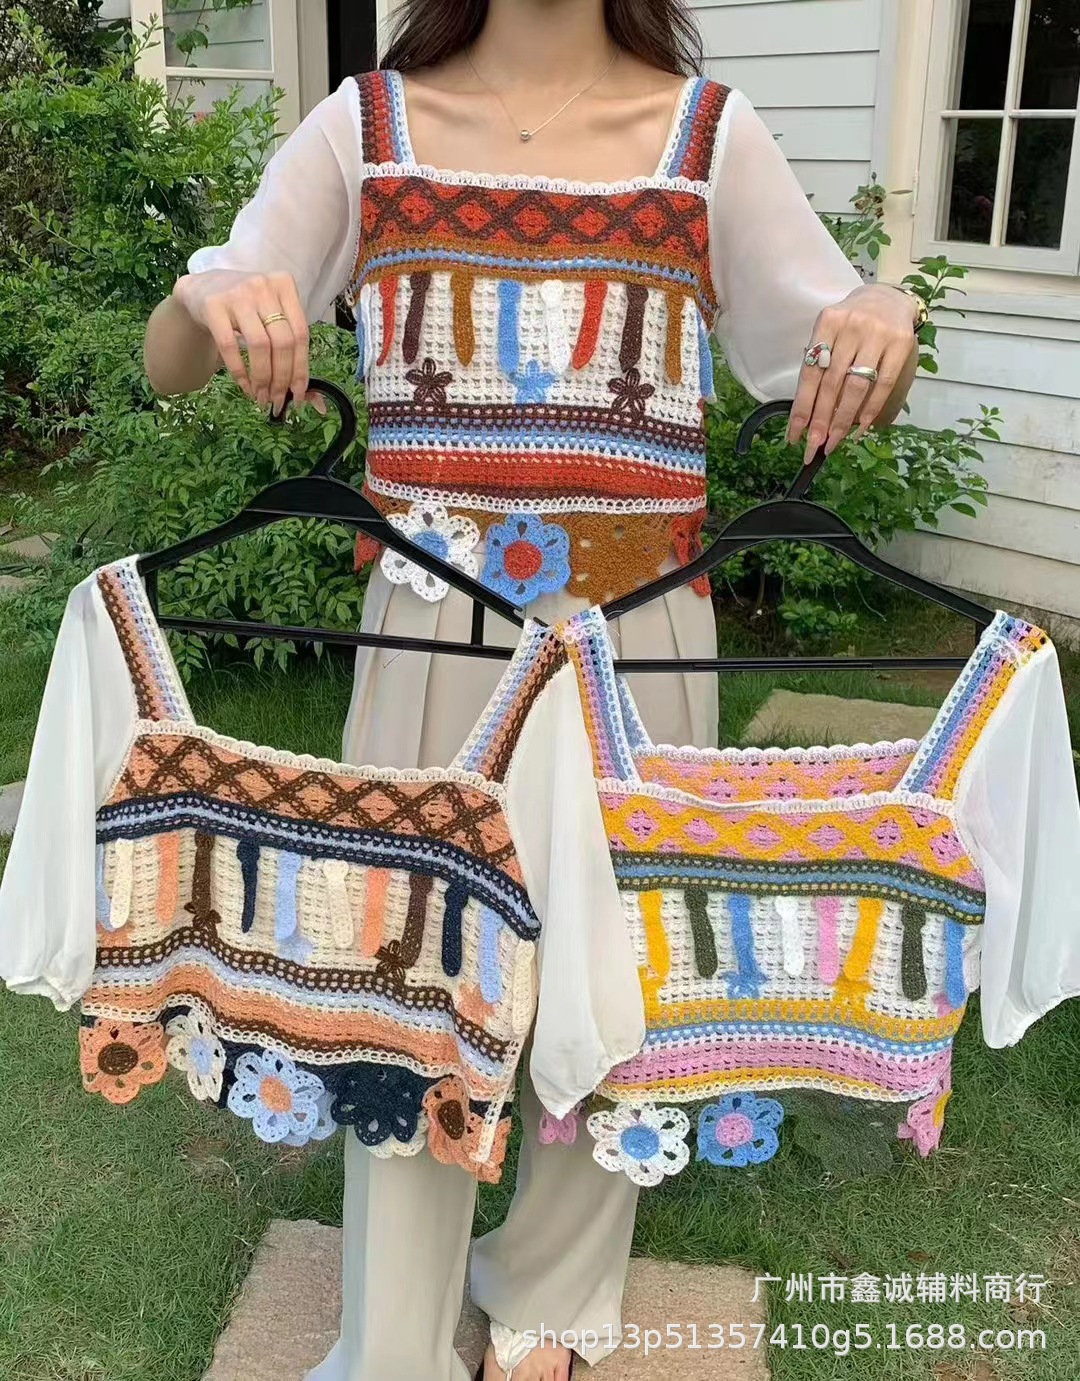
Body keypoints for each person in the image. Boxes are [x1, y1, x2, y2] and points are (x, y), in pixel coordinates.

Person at [142, 2, 922, 1376]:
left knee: (611, 963)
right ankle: (392, 1333)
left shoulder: (707, 138)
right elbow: (170, 364)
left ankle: (554, 1295)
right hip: (430, 629)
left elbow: (840, 360)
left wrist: (881, 313)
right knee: (403, 971)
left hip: (642, 634)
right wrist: (209, 296)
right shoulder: (369, 127)